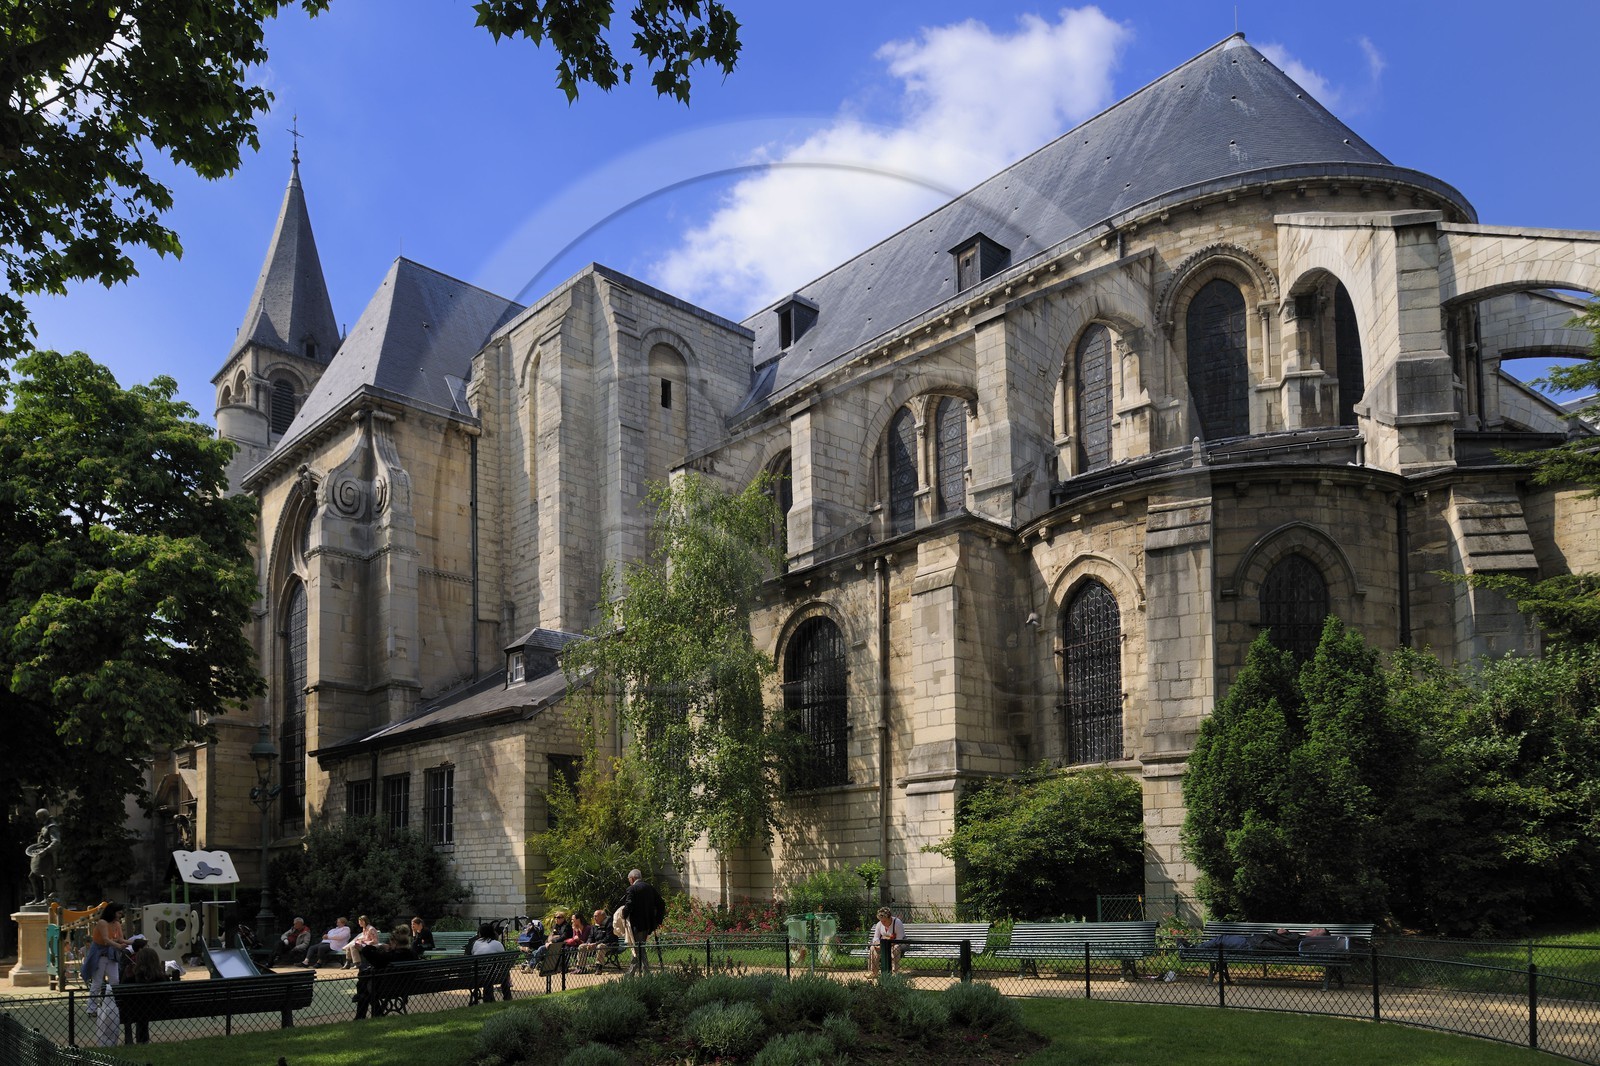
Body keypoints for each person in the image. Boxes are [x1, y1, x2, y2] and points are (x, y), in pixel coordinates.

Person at [352, 926, 416, 1019]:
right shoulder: (412, 954)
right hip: (409, 986)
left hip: (388, 988)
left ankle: (364, 1015)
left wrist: (373, 947)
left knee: (364, 985)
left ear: (394, 943)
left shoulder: (392, 956)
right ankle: (374, 1013)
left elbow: (374, 958)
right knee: (366, 986)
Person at [82, 902, 129, 1017]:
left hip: (111, 955)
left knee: (115, 981)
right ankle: (91, 1009)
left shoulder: (117, 923)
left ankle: (112, 1005)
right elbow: (106, 939)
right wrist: (118, 946)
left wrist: (136, 942)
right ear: (112, 912)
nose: (120, 914)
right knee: (97, 982)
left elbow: (121, 939)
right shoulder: (102, 922)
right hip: (99, 955)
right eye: (119, 912)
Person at [121, 939, 165, 1045]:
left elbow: (122, 992)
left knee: (138, 1008)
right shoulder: (161, 977)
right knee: (144, 1010)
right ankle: (143, 1040)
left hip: (133, 1011)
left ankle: (132, 1041)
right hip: (159, 1009)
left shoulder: (131, 976)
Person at [621, 869, 664, 975]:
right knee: (639, 947)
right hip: (648, 925)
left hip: (636, 924)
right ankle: (636, 971)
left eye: (629, 879)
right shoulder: (650, 888)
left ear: (632, 878)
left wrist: (623, 914)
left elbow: (629, 905)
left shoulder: (632, 889)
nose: (629, 881)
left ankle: (643, 972)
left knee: (638, 948)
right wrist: (657, 920)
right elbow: (661, 904)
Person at [24, 808, 60, 907]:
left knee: (45, 877)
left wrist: (46, 850)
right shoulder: (45, 826)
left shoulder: (52, 827)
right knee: (32, 876)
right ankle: (37, 898)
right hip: (40, 857)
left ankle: (46, 899)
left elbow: (56, 841)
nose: (37, 819)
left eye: (38, 817)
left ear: (43, 816)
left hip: (47, 857)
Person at [467, 921, 507, 1003]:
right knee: (503, 971)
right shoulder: (498, 944)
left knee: (486, 972)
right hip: (496, 976)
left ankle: (488, 998)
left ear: (480, 933)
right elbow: (504, 960)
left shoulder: (475, 944)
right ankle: (507, 996)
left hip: (477, 976)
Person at [576, 908, 617, 973]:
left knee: (600, 946)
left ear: (603, 916)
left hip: (610, 945)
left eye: (596, 916)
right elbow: (590, 936)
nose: (594, 918)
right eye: (594, 916)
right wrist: (588, 943)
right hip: (596, 944)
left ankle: (598, 968)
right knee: (582, 946)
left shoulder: (610, 924)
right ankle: (581, 968)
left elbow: (608, 938)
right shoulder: (594, 926)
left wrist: (596, 944)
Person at [867, 907, 904, 976]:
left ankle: (895, 972)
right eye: (881, 921)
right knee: (872, 948)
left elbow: (900, 939)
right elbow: (876, 938)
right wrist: (878, 944)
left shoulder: (897, 922)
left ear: (890, 918)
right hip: (883, 944)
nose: (882, 923)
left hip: (897, 944)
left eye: (884, 921)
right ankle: (873, 972)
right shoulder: (879, 924)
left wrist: (887, 944)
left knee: (896, 948)